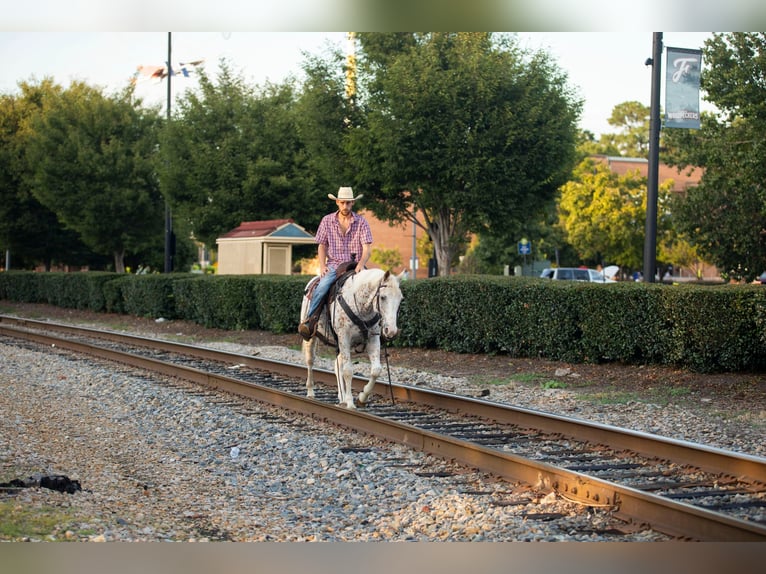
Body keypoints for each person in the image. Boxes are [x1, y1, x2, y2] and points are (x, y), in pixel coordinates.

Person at [298, 186, 373, 340]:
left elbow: (367, 248)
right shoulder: (327, 220)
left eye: (348, 203)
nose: (345, 206)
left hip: (355, 265)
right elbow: (322, 245)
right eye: (342, 203)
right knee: (322, 287)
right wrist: (322, 265)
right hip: (334, 265)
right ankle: (310, 320)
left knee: (374, 289)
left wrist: (361, 264)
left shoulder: (361, 222)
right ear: (337, 202)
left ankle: (378, 328)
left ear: (353, 203)